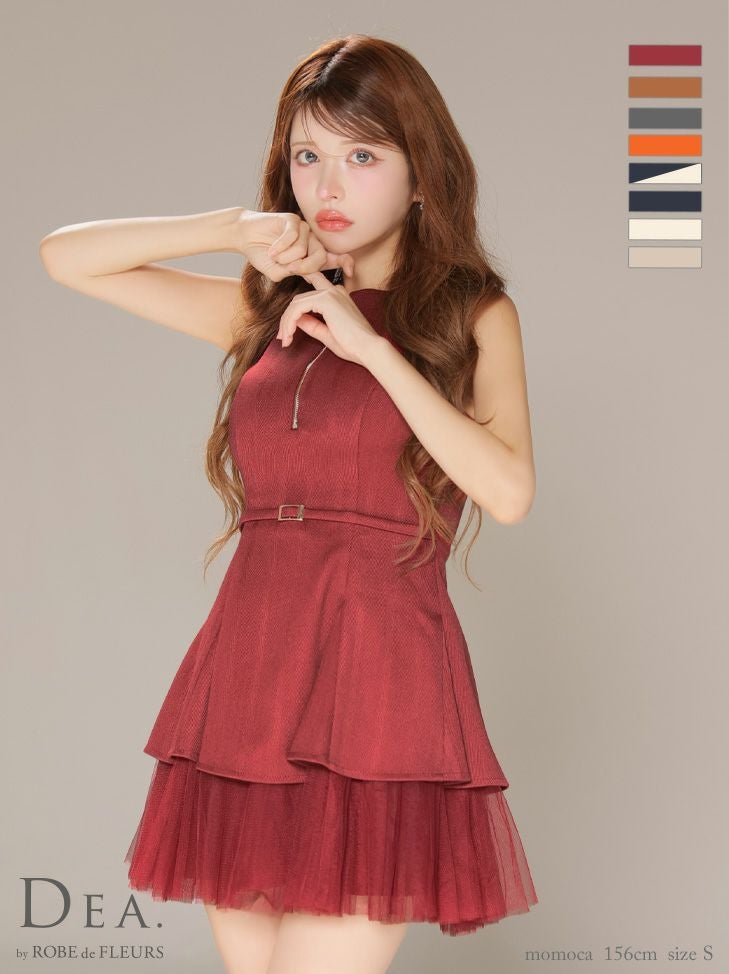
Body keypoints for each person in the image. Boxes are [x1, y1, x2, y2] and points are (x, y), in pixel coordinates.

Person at [39, 33, 537, 974]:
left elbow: (507, 492)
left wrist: (373, 350)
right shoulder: (272, 310)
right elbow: (65, 258)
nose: (328, 187)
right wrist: (230, 228)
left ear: (419, 175)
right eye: (307, 156)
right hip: (250, 667)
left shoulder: (470, 315)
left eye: (363, 156)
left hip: (380, 673)